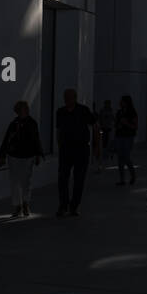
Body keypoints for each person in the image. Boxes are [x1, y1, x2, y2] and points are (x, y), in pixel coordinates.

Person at [55, 89, 96, 217]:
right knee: (62, 178)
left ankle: (74, 206)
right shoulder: (60, 112)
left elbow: (95, 125)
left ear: (75, 98)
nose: (67, 100)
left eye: (69, 97)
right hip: (66, 149)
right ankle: (63, 205)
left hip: (81, 150)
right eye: (65, 97)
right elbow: (58, 130)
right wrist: (59, 145)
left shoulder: (83, 110)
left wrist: (97, 148)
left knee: (79, 180)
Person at [0, 100, 43, 217]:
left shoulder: (32, 123)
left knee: (26, 181)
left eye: (25, 109)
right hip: (14, 156)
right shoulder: (14, 124)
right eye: (22, 109)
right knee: (15, 182)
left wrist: (38, 154)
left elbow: (36, 139)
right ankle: (18, 205)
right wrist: (2, 156)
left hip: (28, 156)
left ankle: (25, 203)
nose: (24, 111)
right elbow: (7, 139)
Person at [114, 94, 137, 185]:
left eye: (122, 101)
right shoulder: (119, 112)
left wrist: (126, 123)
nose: (120, 102)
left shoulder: (132, 112)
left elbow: (135, 126)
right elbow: (116, 124)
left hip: (128, 137)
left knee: (126, 157)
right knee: (120, 158)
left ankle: (133, 176)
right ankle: (122, 179)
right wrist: (117, 125)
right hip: (119, 136)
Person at [97, 99, 115, 169]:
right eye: (107, 103)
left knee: (108, 142)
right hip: (104, 128)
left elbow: (113, 118)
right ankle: (104, 154)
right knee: (104, 142)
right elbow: (100, 118)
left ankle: (106, 154)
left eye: (108, 103)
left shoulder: (110, 110)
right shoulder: (102, 110)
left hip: (108, 128)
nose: (108, 104)